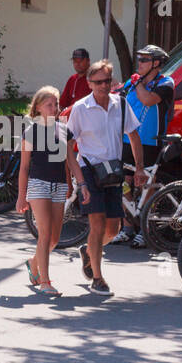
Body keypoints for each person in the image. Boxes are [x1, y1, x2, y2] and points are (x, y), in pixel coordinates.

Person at [66, 59, 144, 297]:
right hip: (89, 170)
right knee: (97, 224)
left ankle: (89, 251)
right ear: (89, 83)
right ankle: (98, 279)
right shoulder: (80, 108)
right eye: (98, 81)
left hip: (113, 171)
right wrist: (74, 179)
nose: (103, 85)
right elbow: (68, 145)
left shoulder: (120, 104)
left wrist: (139, 168)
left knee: (113, 228)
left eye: (107, 80)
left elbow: (133, 135)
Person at [15, 87, 79, 296]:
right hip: (38, 185)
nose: (54, 108)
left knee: (54, 239)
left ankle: (34, 265)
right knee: (44, 234)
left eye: (56, 104)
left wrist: (71, 182)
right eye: (49, 105)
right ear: (38, 107)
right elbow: (24, 167)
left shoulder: (64, 130)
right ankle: (45, 282)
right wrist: (21, 196)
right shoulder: (30, 131)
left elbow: (68, 160)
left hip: (59, 185)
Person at [111, 44, 174, 248]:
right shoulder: (133, 81)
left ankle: (144, 231)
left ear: (156, 63)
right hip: (126, 140)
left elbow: (148, 100)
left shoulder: (166, 83)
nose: (140, 63)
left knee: (146, 183)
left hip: (150, 141)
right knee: (122, 181)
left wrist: (137, 82)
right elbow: (118, 97)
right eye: (139, 59)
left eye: (144, 60)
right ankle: (128, 228)